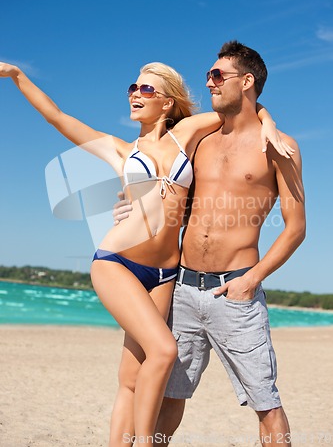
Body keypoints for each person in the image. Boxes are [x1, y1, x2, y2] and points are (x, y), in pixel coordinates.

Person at [0, 58, 293, 447]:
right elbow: (56, 117)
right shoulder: (120, 150)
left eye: (146, 89)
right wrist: (17, 76)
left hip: (166, 276)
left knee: (132, 378)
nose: (136, 94)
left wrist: (269, 122)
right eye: (133, 88)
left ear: (168, 102)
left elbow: (241, 104)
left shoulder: (188, 133)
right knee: (164, 350)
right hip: (119, 261)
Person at [113, 41, 306, 447]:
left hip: (235, 292)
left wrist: (251, 279)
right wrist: (133, 211)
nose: (210, 83)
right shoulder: (201, 139)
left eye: (218, 75)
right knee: (168, 396)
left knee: (265, 403)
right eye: (209, 75)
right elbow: (172, 200)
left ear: (247, 81)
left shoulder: (278, 146)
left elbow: (295, 228)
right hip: (182, 288)